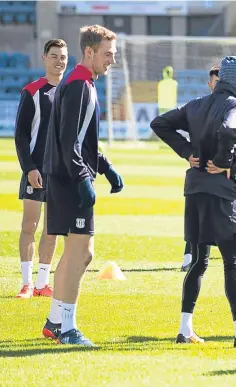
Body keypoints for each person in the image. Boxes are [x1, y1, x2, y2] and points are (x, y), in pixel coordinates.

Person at [150, 56, 236, 349]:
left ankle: (185, 329)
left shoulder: (196, 104)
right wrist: (222, 162)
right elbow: (231, 131)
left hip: (194, 190)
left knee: (197, 261)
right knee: (233, 263)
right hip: (220, 192)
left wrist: (186, 151)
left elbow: (160, 123)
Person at [41, 25, 124, 346]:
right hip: (68, 180)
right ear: (88, 52)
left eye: (113, 55)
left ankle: (55, 321)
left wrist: (106, 167)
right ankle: (67, 328)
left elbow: (83, 140)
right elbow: (67, 141)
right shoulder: (78, 85)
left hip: (66, 177)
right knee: (81, 253)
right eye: (107, 55)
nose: (111, 61)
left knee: (76, 253)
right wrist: (82, 180)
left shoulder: (83, 82)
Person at [181, 66, 236, 272]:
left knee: (220, 221)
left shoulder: (231, 107)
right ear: (210, 84)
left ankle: (226, 256)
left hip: (220, 179)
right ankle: (190, 256)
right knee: (202, 223)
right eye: (215, 81)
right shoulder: (202, 107)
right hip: (207, 177)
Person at [14, 39, 68, 299]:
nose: (59, 61)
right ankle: (26, 283)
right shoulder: (32, 91)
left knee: (52, 228)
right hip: (36, 169)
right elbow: (21, 135)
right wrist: (29, 168)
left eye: (64, 57)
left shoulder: (72, 91)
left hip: (61, 173)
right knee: (30, 225)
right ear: (44, 58)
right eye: (55, 55)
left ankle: (42, 284)